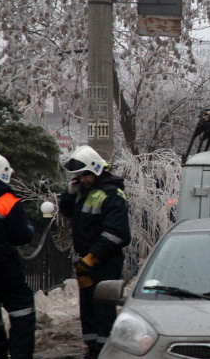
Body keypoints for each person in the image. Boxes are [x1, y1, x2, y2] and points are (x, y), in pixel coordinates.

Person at [59, 146, 131, 359]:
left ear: (96, 171)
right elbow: (68, 212)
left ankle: (105, 351)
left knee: (102, 308)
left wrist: (92, 258)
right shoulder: (84, 192)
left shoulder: (111, 194)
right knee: (88, 307)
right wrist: (69, 195)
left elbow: (116, 234)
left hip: (105, 262)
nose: (81, 180)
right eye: (78, 177)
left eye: (84, 176)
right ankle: (92, 348)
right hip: (88, 261)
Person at [0, 153, 36, 358]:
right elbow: (20, 235)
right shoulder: (6, 200)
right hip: (4, 269)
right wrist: (30, 227)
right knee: (22, 311)